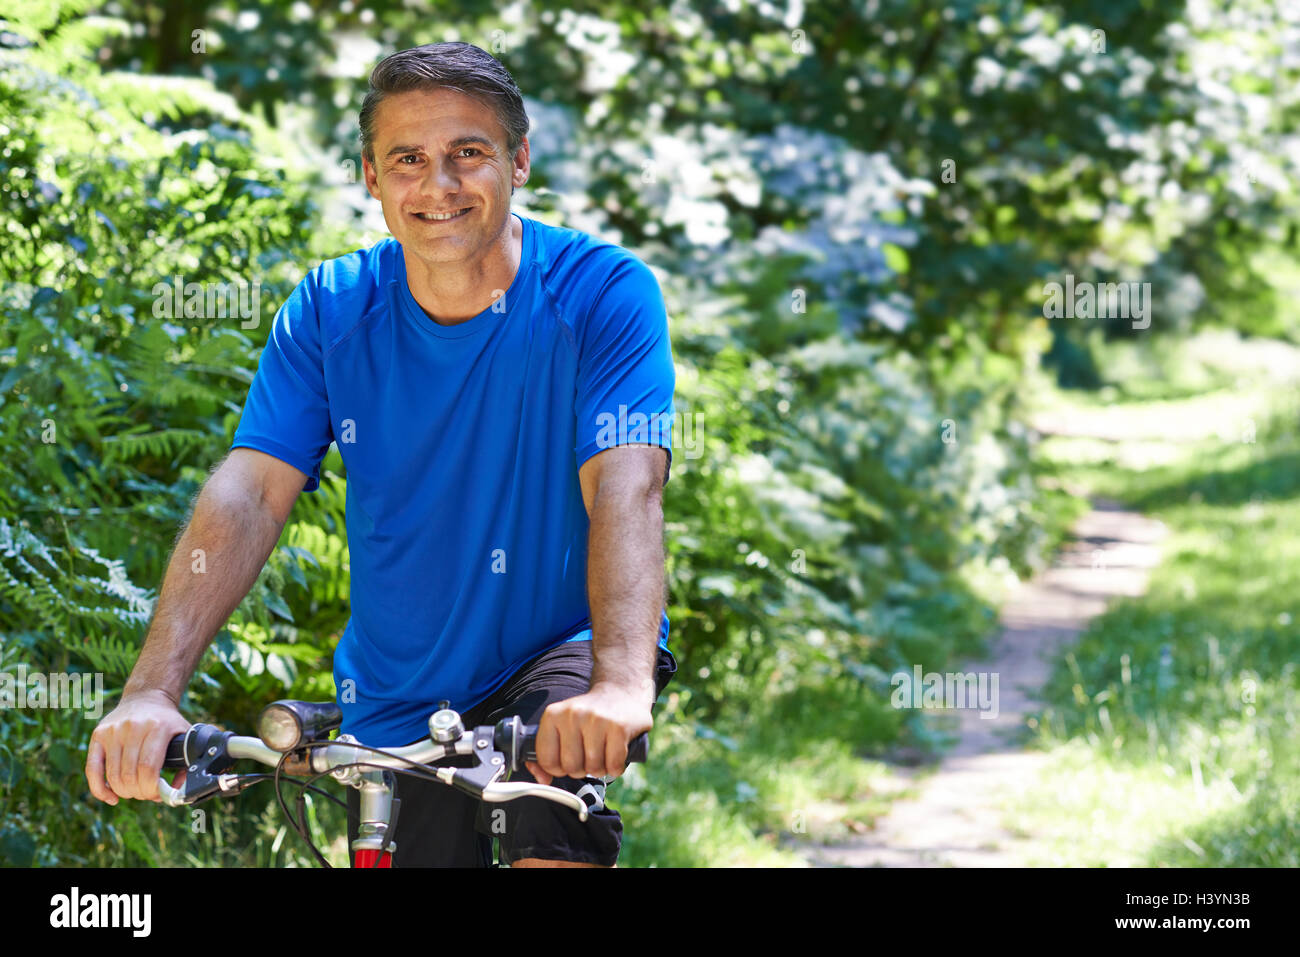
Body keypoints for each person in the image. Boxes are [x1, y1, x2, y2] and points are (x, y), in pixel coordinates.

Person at [84, 41, 678, 868]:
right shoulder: (331, 309)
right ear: (372, 177)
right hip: (399, 691)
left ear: (520, 161)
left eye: (469, 152)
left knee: (551, 834)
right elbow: (251, 493)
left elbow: (627, 488)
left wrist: (617, 683)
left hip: (561, 651)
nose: (439, 185)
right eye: (408, 159)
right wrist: (150, 691)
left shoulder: (602, 293)